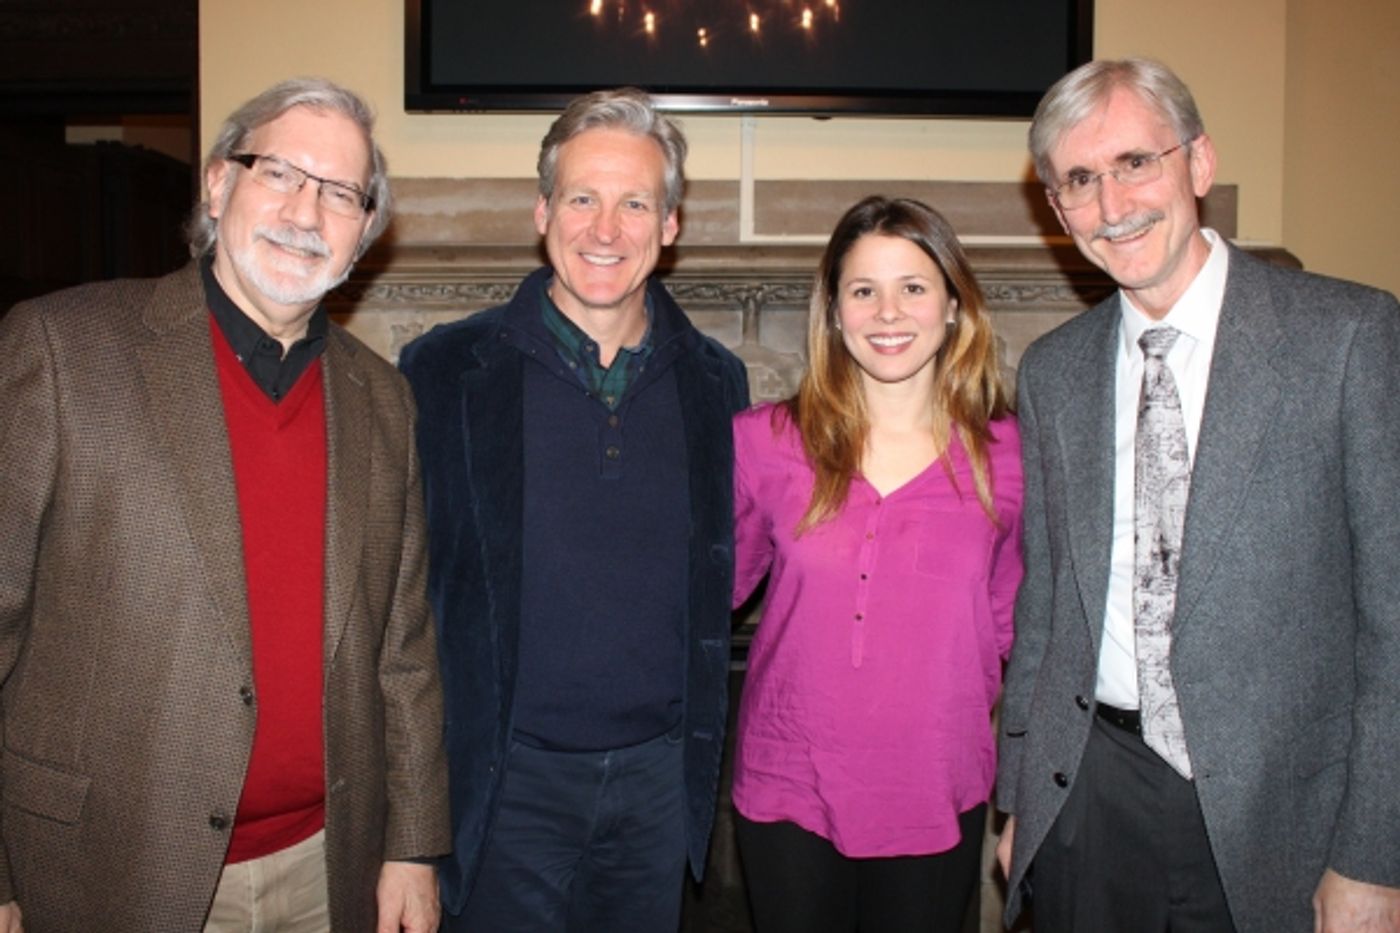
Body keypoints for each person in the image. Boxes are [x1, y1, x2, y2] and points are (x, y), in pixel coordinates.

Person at [0, 77, 449, 933]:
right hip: (104, 868)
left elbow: (406, 651)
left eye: (341, 193)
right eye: (280, 173)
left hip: (328, 864)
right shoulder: (62, 351)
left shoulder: (383, 399)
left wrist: (414, 845)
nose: (306, 213)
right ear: (217, 183)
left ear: (365, 229)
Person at [995, 57, 1400, 933]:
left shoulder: (1349, 337)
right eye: (1079, 181)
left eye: (1137, 162)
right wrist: (1020, 793)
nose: (1113, 204)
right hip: (1087, 798)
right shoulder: (1054, 370)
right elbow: (1046, 603)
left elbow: (1394, 621)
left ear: (1199, 164)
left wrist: (1374, 856)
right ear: (1058, 213)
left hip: (1281, 813)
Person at [398, 87, 750, 931]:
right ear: (542, 209)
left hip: (658, 789)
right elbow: (397, 610)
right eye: (583, 198)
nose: (606, 229)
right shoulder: (443, 373)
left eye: (635, 203)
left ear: (670, 225)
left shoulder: (717, 384)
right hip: (501, 784)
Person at [730, 196, 1023, 932]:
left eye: (914, 288)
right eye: (864, 290)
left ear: (954, 305)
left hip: (933, 788)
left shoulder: (1011, 457)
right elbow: (702, 599)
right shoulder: (761, 442)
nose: (888, 313)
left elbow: (1020, 635)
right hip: (788, 786)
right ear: (834, 311)